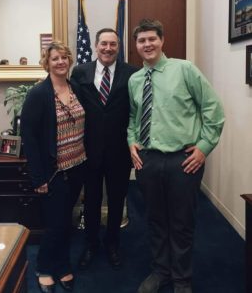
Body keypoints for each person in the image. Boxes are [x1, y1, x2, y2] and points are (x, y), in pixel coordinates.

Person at [128, 19, 225, 293]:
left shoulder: (184, 70)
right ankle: (161, 272)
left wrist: (204, 147)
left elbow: (213, 110)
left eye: (152, 39)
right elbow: (134, 118)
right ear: (136, 46)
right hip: (147, 160)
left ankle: (182, 279)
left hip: (183, 161)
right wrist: (131, 141)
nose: (147, 44)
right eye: (142, 40)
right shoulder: (135, 80)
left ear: (162, 41)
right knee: (156, 219)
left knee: (182, 223)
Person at [21, 41, 86, 293]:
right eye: (55, 58)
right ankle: (45, 267)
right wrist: (38, 177)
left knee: (65, 221)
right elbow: (30, 137)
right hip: (53, 172)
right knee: (56, 224)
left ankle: (61, 264)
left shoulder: (76, 88)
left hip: (78, 166)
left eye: (64, 58)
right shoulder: (38, 94)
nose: (60, 62)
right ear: (46, 63)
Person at [70, 28, 138, 270]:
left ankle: (112, 243)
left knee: (118, 199)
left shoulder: (133, 73)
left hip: (120, 151)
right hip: (88, 150)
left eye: (113, 44)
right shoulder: (80, 72)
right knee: (92, 200)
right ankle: (90, 244)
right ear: (96, 46)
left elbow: (135, 110)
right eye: (104, 44)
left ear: (118, 47)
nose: (108, 48)